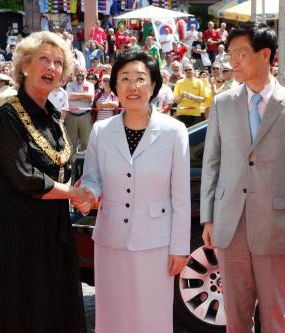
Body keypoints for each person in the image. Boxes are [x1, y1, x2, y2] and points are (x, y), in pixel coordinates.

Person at [200, 22, 285, 333]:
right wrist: (208, 218)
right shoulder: (222, 103)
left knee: (275, 316)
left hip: (277, 228)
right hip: (230, 225)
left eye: (241, 54)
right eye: (230, 55)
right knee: (235, 316)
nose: (233, 62)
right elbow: (212, 163)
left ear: (265, 55)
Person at [0, 31, 88, 333]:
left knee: (58, 308)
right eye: (44, 59)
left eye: (58, 62)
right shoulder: (7, 117)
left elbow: (63, 165)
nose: (52, 68)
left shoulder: (53, 116)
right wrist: (73, 193)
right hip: (17, 231)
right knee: (22, 310)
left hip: (54, 229)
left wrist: (82, 190)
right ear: (25, 66)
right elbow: (24, 177)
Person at [80, 49, 190, 333]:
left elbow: (180, 195)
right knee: (112, 315)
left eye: (140, 78)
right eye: (124, 78)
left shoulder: (174, 131)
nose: (132, 86)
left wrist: (180, 248)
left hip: (156, 242)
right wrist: (87, 194)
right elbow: (92, 178)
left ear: (153, 85)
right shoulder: (101, 131)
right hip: (110, 239)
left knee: (152, 317)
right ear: (114, 86)